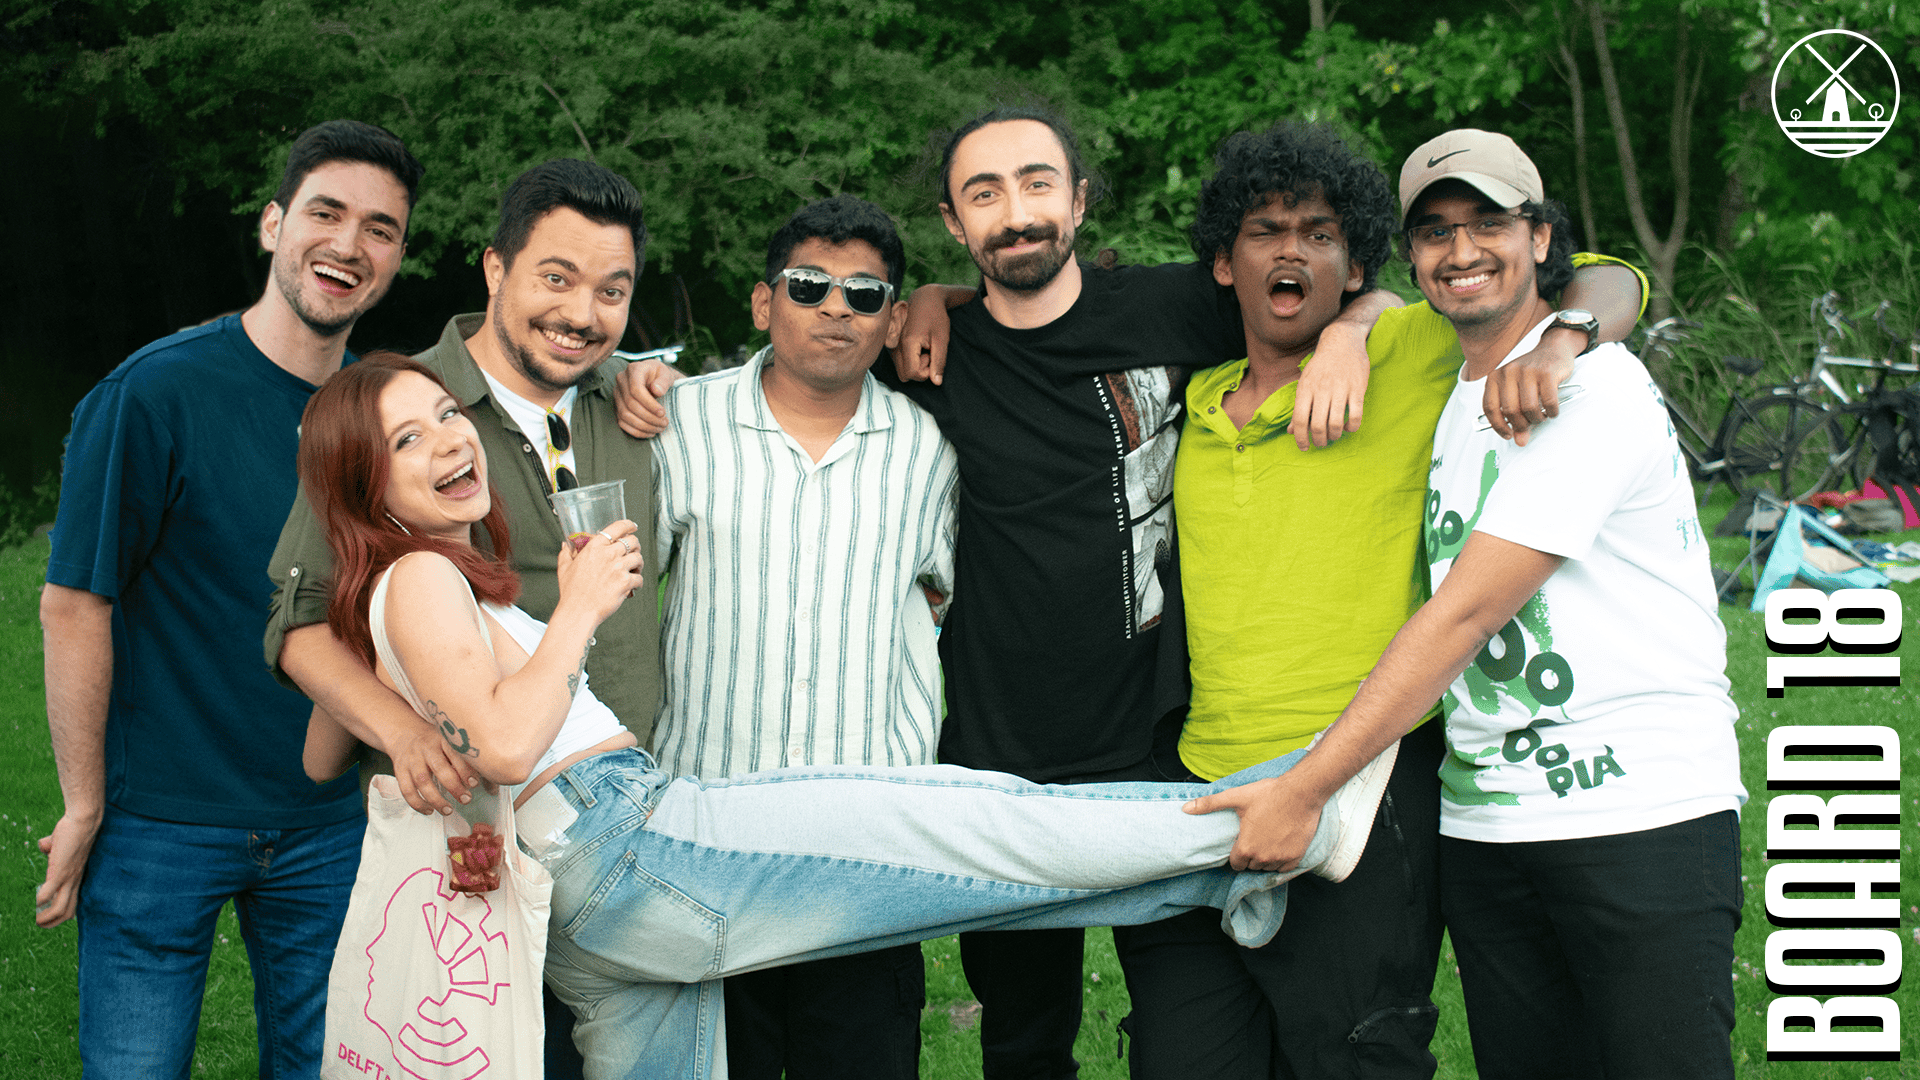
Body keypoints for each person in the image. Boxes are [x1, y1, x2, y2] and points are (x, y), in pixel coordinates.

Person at [295, 351, 1397, 1080]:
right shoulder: (421, 578)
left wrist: (400, 726)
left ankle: (1245, 861)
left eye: (446, 414)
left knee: (985, 875)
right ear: (359, 484)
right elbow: (501, 742)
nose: (449, 441)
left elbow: (322, 748)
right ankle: (1292, 804)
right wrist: (578, 608)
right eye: (406, 441)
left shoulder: (391, 593)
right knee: (968, 831)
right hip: (629, 841)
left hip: (584, 905)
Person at [1187, 128, 1744, 1080]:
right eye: (1437, 231)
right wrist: (1350, 329)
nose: (1463, 250)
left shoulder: (1592, 384)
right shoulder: (1446, 387)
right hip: (1489, 826)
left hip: (1639, 815)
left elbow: (1464, 616)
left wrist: (1304, 789)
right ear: (1410, 257)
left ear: (1541, 237)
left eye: (1490, 223)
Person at [263, 157, 680, 1077]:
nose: (582, 314)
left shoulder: (633, 403)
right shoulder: (400, 408)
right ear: (495, 269)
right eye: (555, 278)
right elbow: (302, 622)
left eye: (611, 291)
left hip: (619, 835)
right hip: (476, 846)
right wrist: (403, 729)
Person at [36, 119, 422, 1076]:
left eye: (379, 228)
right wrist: (84, 805)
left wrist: (640, 379)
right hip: (159, 820)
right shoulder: (154, 394)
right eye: (325, 213)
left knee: (329, 1066)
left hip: (331, 820)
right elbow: (75, 603)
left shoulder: (389, 413)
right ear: (272, 225)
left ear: (397, 257)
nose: (349, 244)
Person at [649, 195, 958, 1079]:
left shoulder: (927, 450)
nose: (835, 308)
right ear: (763, 302)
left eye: (864, 295)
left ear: (893, 321)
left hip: (863, 850)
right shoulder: (680, 423)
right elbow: (619, 603)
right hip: (703, 839)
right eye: (809, 285)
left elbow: (940, 599)